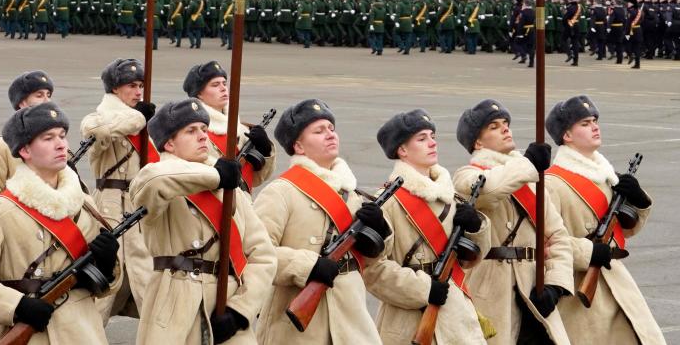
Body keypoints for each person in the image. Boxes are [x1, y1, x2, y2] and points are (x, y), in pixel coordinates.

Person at [0, 102, 122, 344]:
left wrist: (108, 264)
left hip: (82, 332)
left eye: (62, 136)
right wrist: (16, 305)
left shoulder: (84, 204)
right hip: (29, 333)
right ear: (25, 150)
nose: (60, 144)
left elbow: (106, 287)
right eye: (48, 138)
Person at [128, 98, 277, 343]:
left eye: (204, 130)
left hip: (226, 304)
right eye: (191, 130)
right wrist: (215, 175)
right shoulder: (157, 178)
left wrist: (240, 310)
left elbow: (263, 255)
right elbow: (153, 181)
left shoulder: (230, 188)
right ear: (169, 143)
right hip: (175, 302)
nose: (202, 136)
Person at [253, 99, 391, 344]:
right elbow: (256, 253)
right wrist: (308, 266)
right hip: (297, 329)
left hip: (351, 320)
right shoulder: (281, 192)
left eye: (331, 128)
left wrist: (381, 231)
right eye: (318, 131)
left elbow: (372, 261)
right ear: (299, 146)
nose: (330, 135)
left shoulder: (353, 195)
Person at [362, 109, 489, 345]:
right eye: (422, 139)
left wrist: (476, 228)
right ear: (402, 150)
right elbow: (373, 271)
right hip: (407, 319)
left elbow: (470, 259)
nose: (432, 143)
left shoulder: (451, 196)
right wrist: (423, 289)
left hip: (455, 316)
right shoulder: (387, 201)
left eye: (432, 136)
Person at [544, 96, 663, 345]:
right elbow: (548, 242)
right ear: (566, 135)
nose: (595, 126)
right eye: (585, 123)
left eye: (595, 120)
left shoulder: (604, 175)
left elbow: (622, 232)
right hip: (581, 289)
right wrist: (589, 251)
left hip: (615, 277)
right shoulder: (552, 183)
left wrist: (639, 202)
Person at [453, 100, 572, 345]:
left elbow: (558, 237)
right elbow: (489, 189)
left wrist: (555, 285)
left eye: (506, 123)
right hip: (490, 292)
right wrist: (528, 164)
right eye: (494, 127)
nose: (505, 129)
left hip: (533, 289)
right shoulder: (465, 176)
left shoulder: (529, 179)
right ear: (477, 142)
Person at [80, 58, 156, 318]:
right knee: (104, 282)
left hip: (139, 203)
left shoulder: (143, 119)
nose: (138, 92)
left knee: (147, 279)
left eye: (141, 85)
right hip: (109, 205)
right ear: (114, 89)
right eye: (131, 86)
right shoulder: (100, 117)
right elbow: (95, 131)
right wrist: (138, 119)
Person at [185, 61, 275, 192]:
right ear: (199, 94)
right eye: (215, 85)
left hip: (243, 206)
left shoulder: (240, 129)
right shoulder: (193, 132)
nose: (223, 88)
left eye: (224, 83)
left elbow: (256, 179)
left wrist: (265, 150)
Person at [0, 70, 57, 199]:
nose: (47, 101)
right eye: (39, 96)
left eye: (48, 95)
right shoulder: (3, 147)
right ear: (22, 103)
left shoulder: (57, 142)